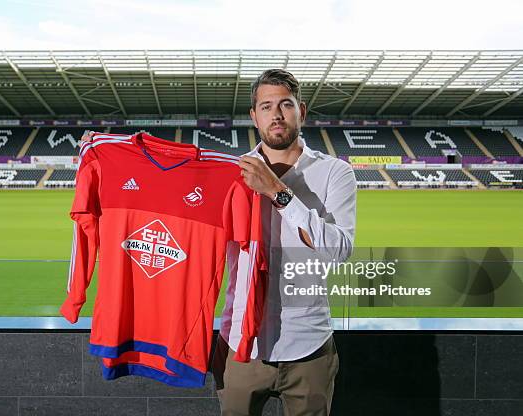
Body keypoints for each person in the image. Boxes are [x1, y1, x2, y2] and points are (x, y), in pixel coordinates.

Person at [80, 68, 356, 416]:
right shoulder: (228, 176)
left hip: (309, 346)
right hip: (239, 346)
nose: (277, 114)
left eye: (286, 105)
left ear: (301, 110)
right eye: (267, 106)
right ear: (254, 116)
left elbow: (338, 251)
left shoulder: (335, 172)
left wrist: (277, 192)